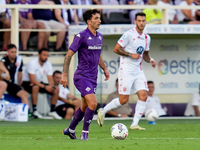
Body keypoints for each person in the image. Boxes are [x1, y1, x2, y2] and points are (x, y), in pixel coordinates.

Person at [97, 12, 156, 131]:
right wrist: (130, 54)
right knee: (124, 100)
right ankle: (102, 111)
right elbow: (116, 49)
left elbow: (145, 55)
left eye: (143, 21)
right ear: (135, 21)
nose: (141, 23)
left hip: (138, 70)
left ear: (145, 22)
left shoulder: (146, 38)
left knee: (143, 96)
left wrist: (151, 60)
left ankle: (134, 124)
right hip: (126, 70)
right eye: (139, 21)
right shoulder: (129, 34)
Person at [60, 9, 110, 140]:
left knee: (84, 106)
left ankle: (70, 130)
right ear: (89, 22)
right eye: (96, 18)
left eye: (99, 18)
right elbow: (69, 55)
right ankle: (85, 133)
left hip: (93, 77)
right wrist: (64, 74)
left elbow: (97, 55)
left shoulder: (99, 36)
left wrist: (104, 68)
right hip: (82, 76)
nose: (100, 21)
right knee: (93, 103)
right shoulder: (80, 36)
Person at [21, 48, 62, 119]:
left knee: (56, 88)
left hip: (39, 83)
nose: (46, 57)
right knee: (35, 87)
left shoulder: (48, 64)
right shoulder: (32, 63)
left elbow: (50, 79)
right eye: (44, 55)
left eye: (47, 55)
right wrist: (46, 87)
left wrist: (51, 86)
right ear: (39, 55)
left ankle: (52, 110)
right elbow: (32, 80)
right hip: (27, 83)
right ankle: (34, 110)